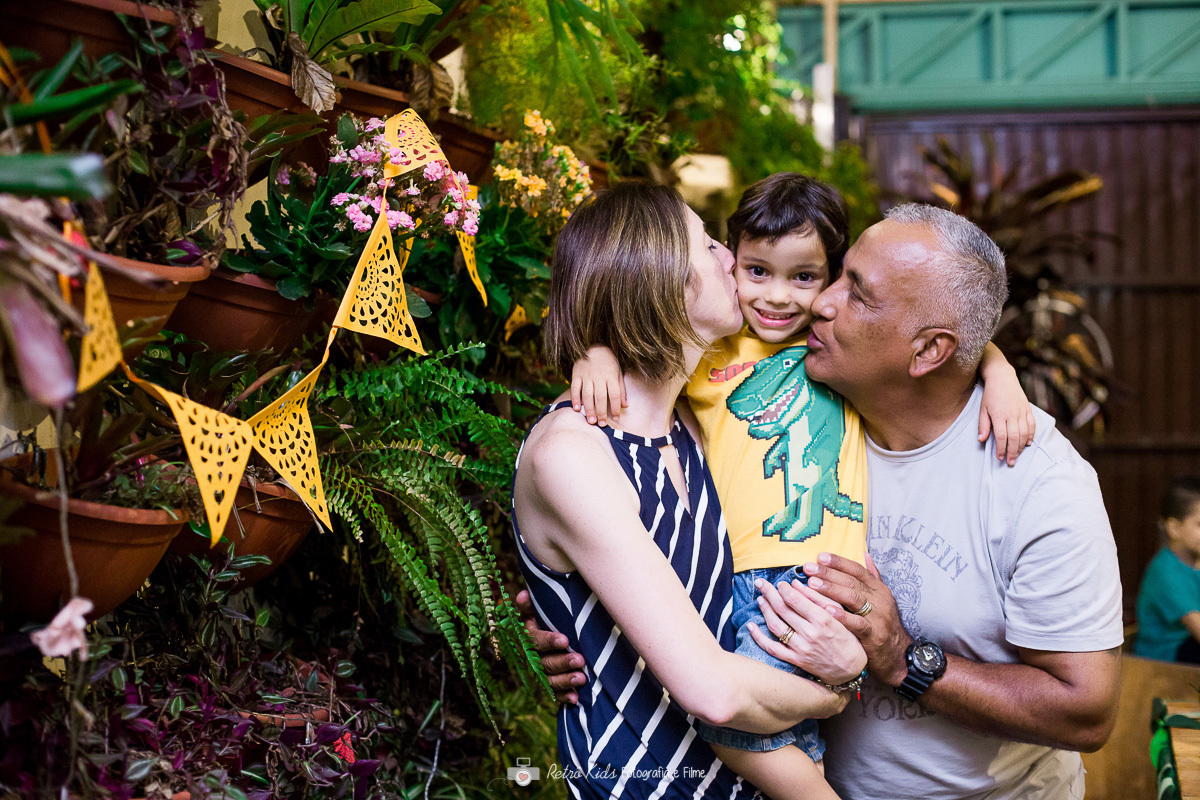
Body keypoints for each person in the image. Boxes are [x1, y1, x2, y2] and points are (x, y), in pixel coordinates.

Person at [533, 203, 1125, 799]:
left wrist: (899, 660)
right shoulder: (813, 389)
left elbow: (1087, 712)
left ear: (927, 353)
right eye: (837, 274)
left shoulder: (1035, 481)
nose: (818, 301)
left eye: (856, 293)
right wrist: (579, 613)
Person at [513, 181, 867, 800]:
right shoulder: (573, 450)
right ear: (659, 278)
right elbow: (713, 692)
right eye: (708, 246)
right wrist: (839, 689)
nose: (730, 257)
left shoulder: (696, 429)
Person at [1135, 476, 1200, 663]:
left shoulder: (1194, 563)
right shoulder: (1165, 572)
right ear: (1174, 528)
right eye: (1199, 524)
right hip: (1165, 663)